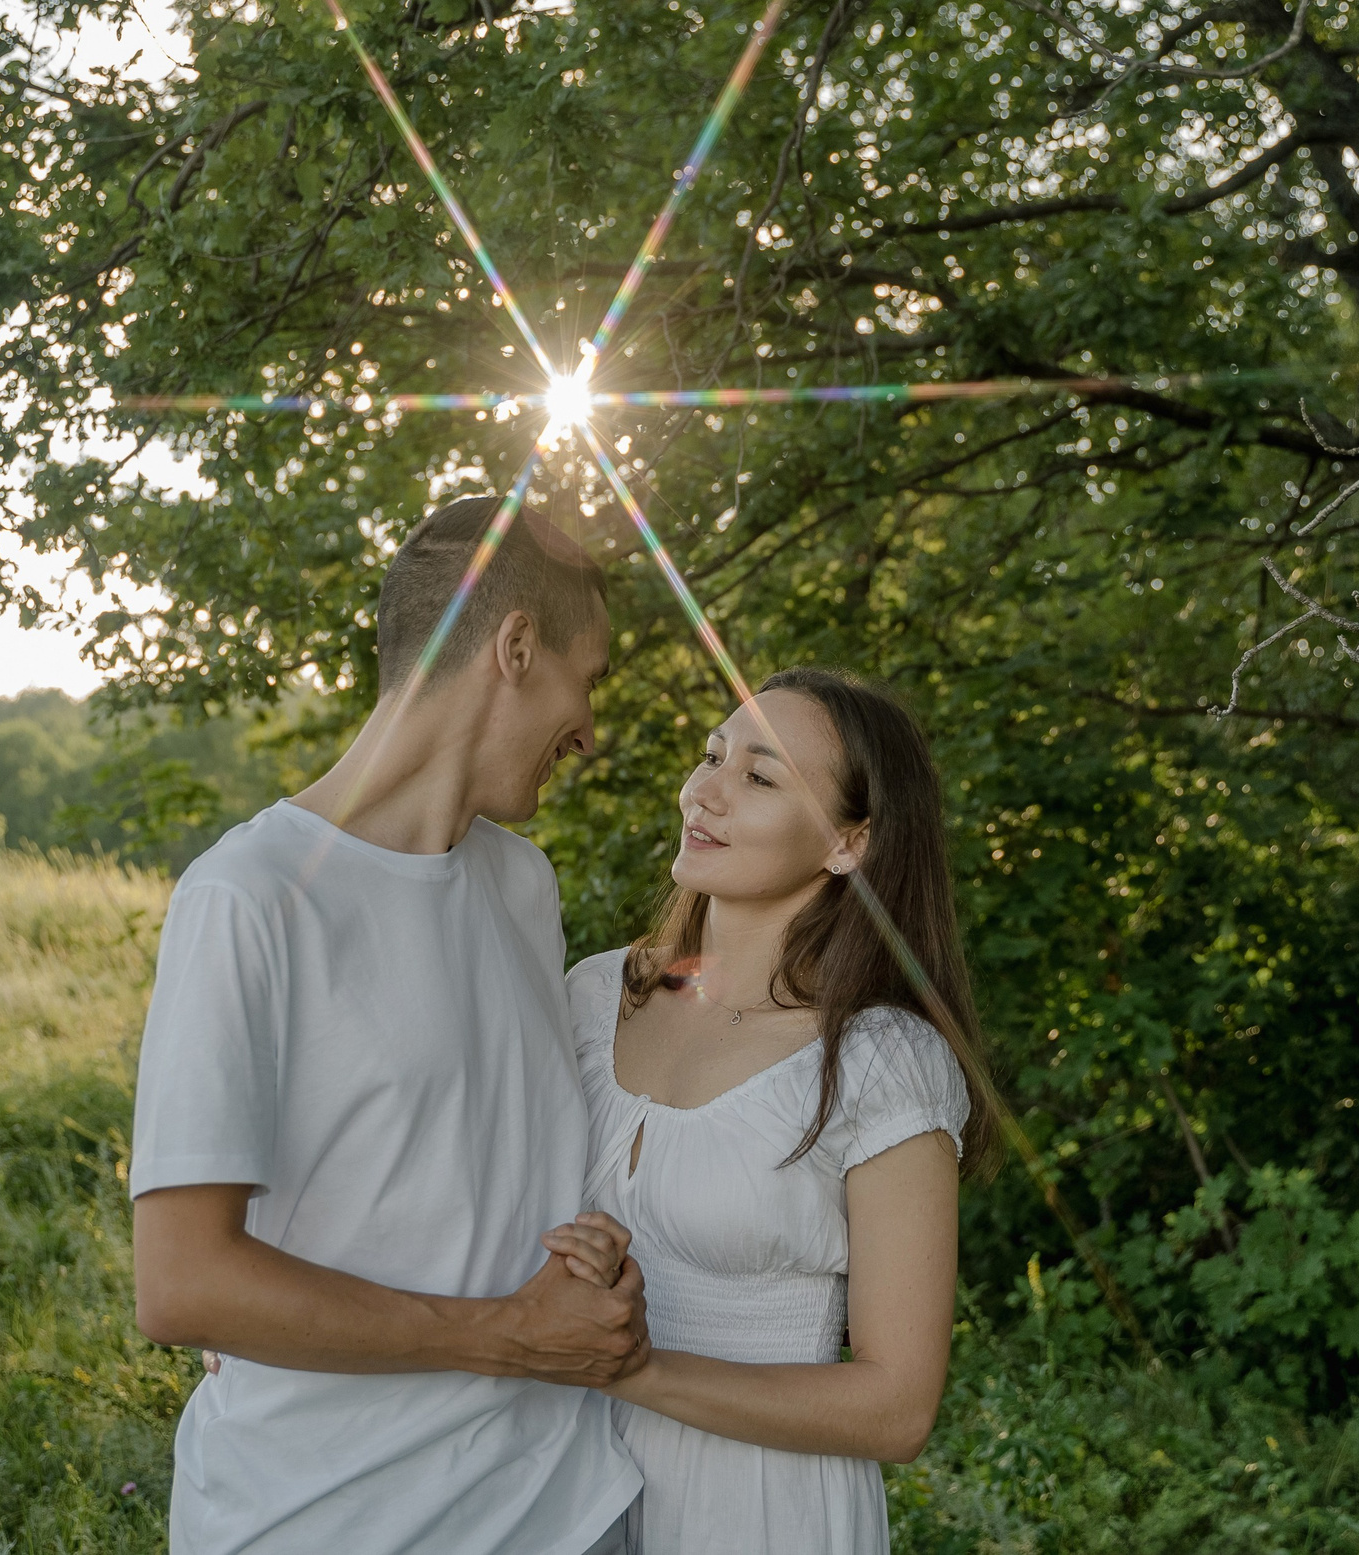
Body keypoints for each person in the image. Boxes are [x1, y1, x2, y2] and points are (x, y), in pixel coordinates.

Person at [128, 496, 648, 1555]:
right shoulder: (250, 896)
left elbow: (462, 1172)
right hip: (329, 1522)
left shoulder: (521, 882)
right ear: (513, 646)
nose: (591, 732)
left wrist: (594, 1262)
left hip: (561, 1510)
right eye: (584, 681)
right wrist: (510, 1338)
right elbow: (184, 1284)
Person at [545, 667, 995, 1555]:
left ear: (848, 843)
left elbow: (898, 1408)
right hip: (557, 1484)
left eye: (759, 775)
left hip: (755, 1508)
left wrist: (637, 1370)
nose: (704, 791)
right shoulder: (593, 995)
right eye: (712, 755)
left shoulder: (878, 1062)